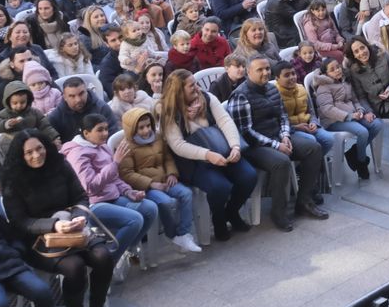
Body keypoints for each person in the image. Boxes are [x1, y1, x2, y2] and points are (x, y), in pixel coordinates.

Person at [0, 130, 117, 307]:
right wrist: (53, 225)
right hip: (37, 237)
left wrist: (79, 216)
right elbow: (20, 222)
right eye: (29, 152)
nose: (37, 155)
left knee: (103, 256)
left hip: (72, 226)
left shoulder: (60, 164)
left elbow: (81, 196)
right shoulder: (13, 180)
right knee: (74, 266)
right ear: (20, 155)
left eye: (40, 148)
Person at [224, 56, 326, 231]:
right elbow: (246, 132)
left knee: (314, 148)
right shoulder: (240, 95)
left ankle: (304, 201)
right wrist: (276, 145)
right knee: (281, 162)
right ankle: (278, 212)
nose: (265, 73)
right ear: (248, 72)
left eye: (267, 69)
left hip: (277, 135)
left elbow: (283, 116)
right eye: (260, 70)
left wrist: (285, 135)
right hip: (256, 145)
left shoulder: (271, 88)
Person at [155, 69, 259, 242]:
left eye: (196, 83)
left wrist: (235, 146)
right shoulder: (167, 110)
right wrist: (207, 155)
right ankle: (218, 219)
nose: (197, 88)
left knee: (249, 176)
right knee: (220, 187)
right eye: (191, 86)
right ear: (179, 91)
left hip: (221, 148)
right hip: (194, 161)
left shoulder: (207, 98)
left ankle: (231, 212)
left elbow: (225, 121)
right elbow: (178, 145)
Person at [59, 114, 148, 260]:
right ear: (86, 133)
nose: (105, 133)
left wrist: (128, 191)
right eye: (100, 130)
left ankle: (127, 249)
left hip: (112, 197)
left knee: (149, 208)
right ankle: (109, 261)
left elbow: (114, 178)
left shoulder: (103, 146)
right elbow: (90, 187)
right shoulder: (77, 153)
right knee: (135, 220)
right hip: (93, 204)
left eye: (106, 129)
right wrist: (115, 163)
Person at [116, 107, 201, 253]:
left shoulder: (157, 137)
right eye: (141, 128)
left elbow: (167, 158)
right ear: (132, 129)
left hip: (165, 179)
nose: (146, 130)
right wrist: (151, 184)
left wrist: (172, 173)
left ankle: (183, 233)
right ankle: (172, 234)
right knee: (166, 202)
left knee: (186, 193)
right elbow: (127, 174)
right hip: (146, 187)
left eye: (148, 126)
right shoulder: (126, 147)